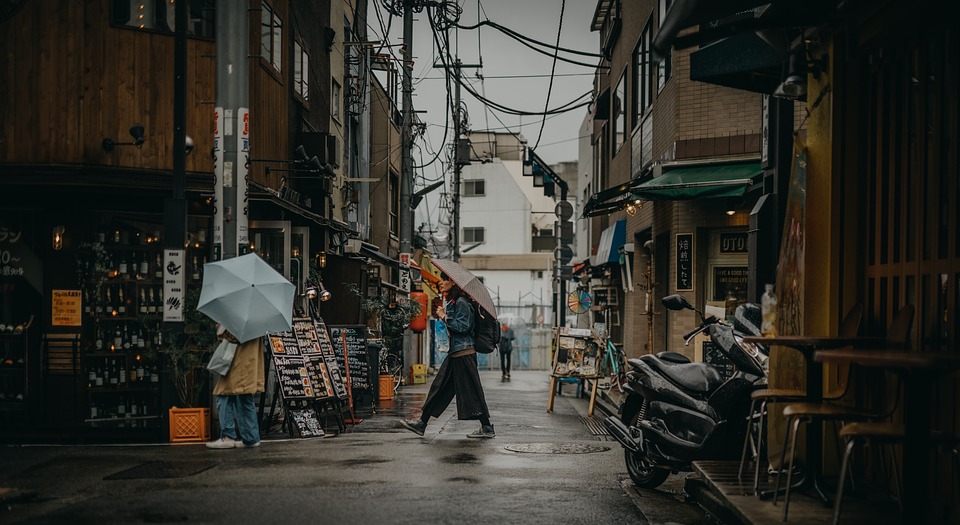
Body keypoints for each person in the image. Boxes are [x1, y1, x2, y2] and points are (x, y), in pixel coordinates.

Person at [400, 274, 495, 439]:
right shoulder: (454, 302)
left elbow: (463, 327)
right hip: (456, 353)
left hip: (464, 353)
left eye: (444, 280)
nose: (441, 283)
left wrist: (445, 316)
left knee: (471, 390)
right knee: (440, 388)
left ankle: (487, 427)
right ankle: (422, 423)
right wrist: (444, 315)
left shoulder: (462, 302)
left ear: (453, 282)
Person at [206, 324, 265, 449]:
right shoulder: (258, 318)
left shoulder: (242, 317)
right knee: (244, 397)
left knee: (223, 395)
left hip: (238, 362)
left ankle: (228, 436)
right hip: (250, 362)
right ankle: (251, 438)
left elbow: (235, 336)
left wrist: (221, 329)